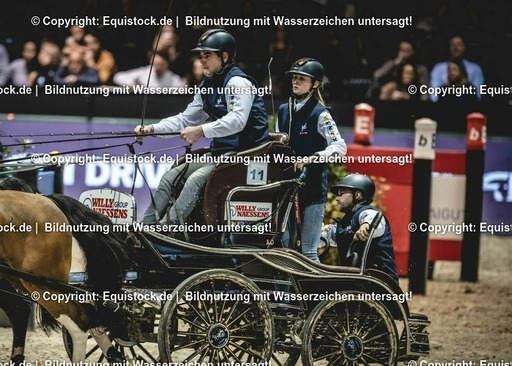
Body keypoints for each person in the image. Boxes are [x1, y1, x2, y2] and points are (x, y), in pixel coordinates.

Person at [134, 29, 269, 226]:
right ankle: (145, 228)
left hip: (246, 156)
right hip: (221, 154)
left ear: (224, 57)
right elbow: (185, 120)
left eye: (208, 55)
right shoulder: (207, 84)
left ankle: (166, 231)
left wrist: (201, 130)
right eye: (200, 55)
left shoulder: (238, 82)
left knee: (195, 179)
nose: (202, 60)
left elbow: (237, 120)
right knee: (170, 177)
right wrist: (152, 129)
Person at [276, 58, 347, 262]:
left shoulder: (321, 114)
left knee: (308, 252)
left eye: (302, 79)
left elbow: (340, 147)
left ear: (315, 84)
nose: (295, 82)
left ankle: (316, 284)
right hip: (286, 189)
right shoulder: (283, 110)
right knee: (284, 249)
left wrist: (312, 157)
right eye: (294, 78)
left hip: (312, 190)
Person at [322, 174, 398, 282]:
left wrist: (365, 225)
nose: (337, 199)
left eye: (341, 194)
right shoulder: (345, 222)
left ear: (357, 195)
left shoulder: (367, 213)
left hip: (379, 282)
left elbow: (373, 218)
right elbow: (326, 237)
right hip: (359, 281)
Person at [429, 34, 484, 102]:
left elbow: (478, 93)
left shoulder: (475, 68)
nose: (455, 47)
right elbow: (434, 94)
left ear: (464, 47)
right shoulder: (438, 67)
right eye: (452, 44)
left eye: (459, 44)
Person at [113, 50, 185, 88]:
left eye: (161, 64)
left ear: (167, 64)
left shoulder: (174, 79)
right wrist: (135, 85)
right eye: (156, 64)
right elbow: (118, 77)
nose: (158, 67)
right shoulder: (144, 72)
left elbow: (182, 89)